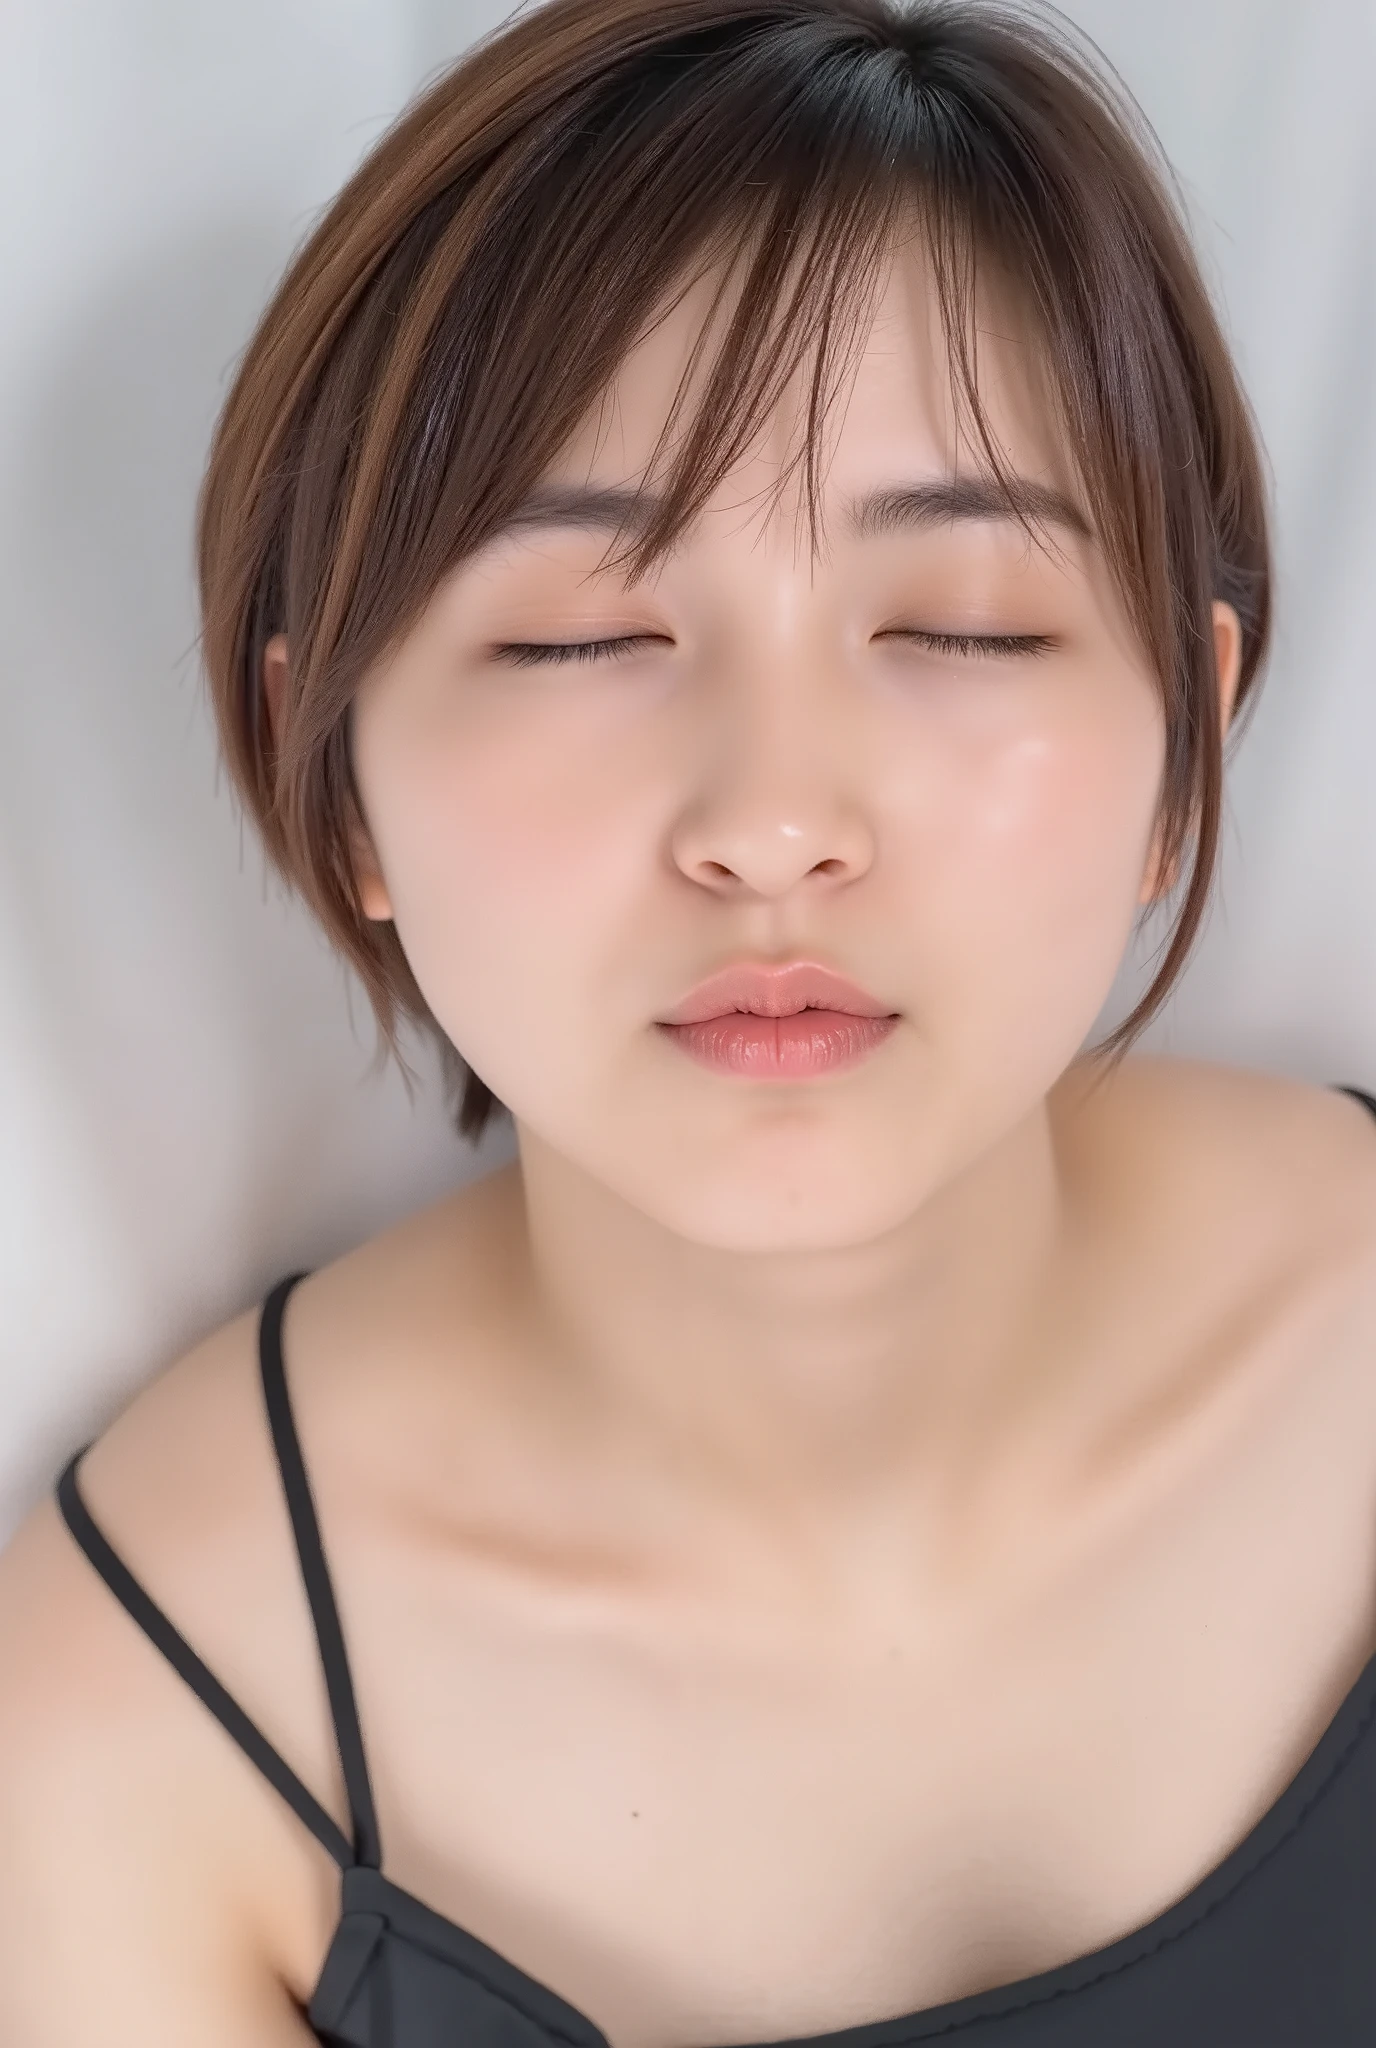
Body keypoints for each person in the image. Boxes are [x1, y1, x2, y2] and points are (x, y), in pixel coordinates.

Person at [1, 0, 1373, 2041]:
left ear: (1190, 732)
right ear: (332, 772)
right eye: (586, 638)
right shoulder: (145, 1729)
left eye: (961, 625)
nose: (776, 821)